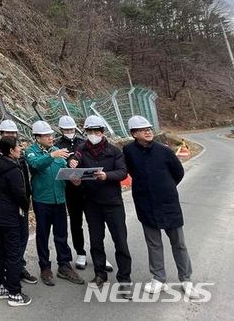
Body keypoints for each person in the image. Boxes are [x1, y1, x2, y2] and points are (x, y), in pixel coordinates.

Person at [123, 115, 201, 298]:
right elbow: (129, 171)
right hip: (145, 203)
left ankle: (186, 280)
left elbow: (178, 172)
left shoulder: (164, 151)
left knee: (179, 243)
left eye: (149, 128)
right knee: (154, 244)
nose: (148, 131)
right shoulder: (128, 151)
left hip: (168, 203)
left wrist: (165, 187)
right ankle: (158, 278)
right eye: (143, 129)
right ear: (134, 134)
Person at [71, 115, 132, 297]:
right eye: (90, 132)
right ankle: (99, 274)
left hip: (113, 203)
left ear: (103, 132)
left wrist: (107, 176)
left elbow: (122, 172)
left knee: (120, 242)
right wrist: (74, 176)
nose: (93, 135)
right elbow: (75, 168)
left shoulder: (114, 151)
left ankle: (125, 279)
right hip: (92, 203)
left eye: (96, 131)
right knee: (96, 241)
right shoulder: (81, 151)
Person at [25, 120, 84, 286]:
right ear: (37, 137)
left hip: (59, 199)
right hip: (42, 200)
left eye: (51, 135)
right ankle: (45, 267)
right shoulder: (31, 151)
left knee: (61, 234)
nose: (51, 138)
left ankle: (64, 265)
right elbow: (36, 165)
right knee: (43, 235)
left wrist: (74, 179)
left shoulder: (57, 151)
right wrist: (51, 156)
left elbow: (64, 171)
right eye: (47, 135)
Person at [0, 135, 32, 306]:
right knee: (14, 254)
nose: (20, 149)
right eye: (18, 147)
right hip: (10, 216)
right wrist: (26, 206)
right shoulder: (13, 170)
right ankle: (14, 293)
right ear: (10, 150)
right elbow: (20, 195)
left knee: (0, 250)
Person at [0, 119, 37, 285]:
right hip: (12, 205)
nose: (11, 135)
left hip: (21, 202)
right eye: (8, 133)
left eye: (13, 133)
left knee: (23, 236)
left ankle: (18, 266)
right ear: (1, 135)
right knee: (11, 241)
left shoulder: (18, 154)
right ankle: (12, 271)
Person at [55, 115, 88, 269]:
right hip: (70, 190)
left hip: (88, 189)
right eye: (66, 130)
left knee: (95, 223)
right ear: (61, 130)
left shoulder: (84, 143)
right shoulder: (57, 146)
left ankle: (98, 252)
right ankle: (80, 252)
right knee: (76, 223)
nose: (69, 132)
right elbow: (57, 166)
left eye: (71, 129)